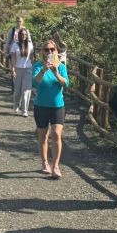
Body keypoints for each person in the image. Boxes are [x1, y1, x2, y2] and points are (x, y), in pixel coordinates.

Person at [32, 38, 69, 178]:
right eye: (46, 49)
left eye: (52, 49)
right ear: (42, 51)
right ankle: (45, 163)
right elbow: (34, 82)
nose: (49, 52)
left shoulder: (61, 66)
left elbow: (66, 84)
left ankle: (56, 166)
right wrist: (43, 70)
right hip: (41, 106)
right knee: (43, 135)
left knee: (57, 134)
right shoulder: (37, 66)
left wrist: (56, 73)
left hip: (57, 106)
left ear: (56, 51)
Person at [10, 27, 34, 116]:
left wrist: (34, 67)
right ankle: (16, 105)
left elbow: (32, 58)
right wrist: (13, 69)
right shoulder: (15, 45)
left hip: (28, 69)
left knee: (25, 91)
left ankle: (24, 110)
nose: (24, 36)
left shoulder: (30, 45)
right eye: (22, 34)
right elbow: (13, 58)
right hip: (18, 69)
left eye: (25, 34)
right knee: (17, 92)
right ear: (19, 35)